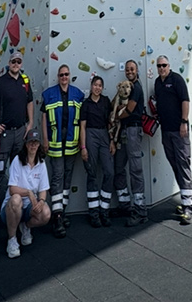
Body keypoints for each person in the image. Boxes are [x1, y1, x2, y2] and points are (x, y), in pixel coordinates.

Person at [0, 51, 34, 242]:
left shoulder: (25, 81)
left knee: (20, 177)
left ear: (21, 63)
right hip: (3, 136)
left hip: (20, 134)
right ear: (9, 62)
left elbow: (30, 102)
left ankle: (19, 216)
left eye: (19, 61)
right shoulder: (0, 83)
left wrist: (29, 123)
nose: (16, 64)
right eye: (13, 61)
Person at [40, 63, 84, 237]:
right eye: (61, 75)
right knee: (57, 177)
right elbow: (43, 117)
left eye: (66, 74)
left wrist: (82, 144)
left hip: (71, 144)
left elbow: (81, 121)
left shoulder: (77, 94)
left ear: (69, 76)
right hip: (55, 143)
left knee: (67, 177)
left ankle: (61, 210)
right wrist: (45, 139)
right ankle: (57, 217)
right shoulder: (49, 94)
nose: (64, 77)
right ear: (58, 77)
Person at [153, 55, 192, 225]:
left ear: (169, 65)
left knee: (183, 162)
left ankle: (188, 207)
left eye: (164, 65)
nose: (162, 68)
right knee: (175, 164)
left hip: (179, 130)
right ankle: (188, 200)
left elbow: (185, 101)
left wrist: (184, 122)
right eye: (159, 66)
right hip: (166, 130)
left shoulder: (176, 80)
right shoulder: (157, 82)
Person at [1, 127, 51, 259]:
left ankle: (25, 226)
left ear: (39, 144)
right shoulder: (17, 161)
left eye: (36, 142)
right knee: (16, 199)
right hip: (11, 207)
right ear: (26, 144)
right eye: (30, 142)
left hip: (29, 206)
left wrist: (41, 201)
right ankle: (11, 239)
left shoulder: (41, 163)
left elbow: (43, 189)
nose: (33, 145)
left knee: (45, 213)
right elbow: (12, 189)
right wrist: (28, 193)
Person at [112, 59, 147, 226]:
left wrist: (114, 117)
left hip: (133, 129)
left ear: (137, 70)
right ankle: (124, 204)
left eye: (132, 69)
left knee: (135, 169)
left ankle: (140, 210)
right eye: (127, 69)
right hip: (123, 131)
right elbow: (116, 105)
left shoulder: (136, 88)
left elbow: (129, 110)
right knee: (118, 167)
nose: (129, 71)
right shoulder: (125, 87)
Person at [79, 75, 116, 227]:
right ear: (91, 86)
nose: (98, 88)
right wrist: (83, 147)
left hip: (104, 136)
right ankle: (93, 213)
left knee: (109, 172)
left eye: (100, 85)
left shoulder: (106, 101)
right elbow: (82, 127)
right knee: (92, 173)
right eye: (95, 85)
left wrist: (112, 141)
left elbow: (111, 122)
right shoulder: (85, 104)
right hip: (90, 136)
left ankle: (104, 210)